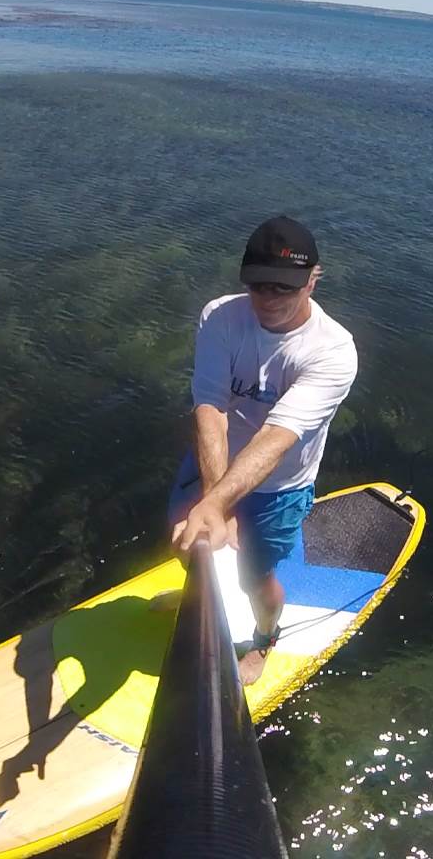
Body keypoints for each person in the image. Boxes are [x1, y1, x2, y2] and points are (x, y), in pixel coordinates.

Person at [170, 215, 358, 685]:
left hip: (279, 485)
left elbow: (277, 437)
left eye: (284, 287)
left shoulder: (334, 352)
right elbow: (211, 406)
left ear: (313, 279)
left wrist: (218, 504)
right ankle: (198, 596)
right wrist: (216, 502)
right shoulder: (220, 317)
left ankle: (264, 637)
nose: (269, 299)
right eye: (258, 286)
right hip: (212, 464)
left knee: (253, 578)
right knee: (189, 543)